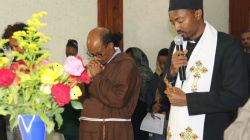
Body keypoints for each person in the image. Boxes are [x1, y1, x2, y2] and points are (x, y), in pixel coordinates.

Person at [162, 0, 249, 140]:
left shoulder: (227, 45)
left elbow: (237, 96)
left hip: (211, 131)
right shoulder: (176, 45)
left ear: (197, 14)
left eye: (180, 20)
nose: (177, 27)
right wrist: (171, 72)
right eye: (173, 23)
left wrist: (189, 100)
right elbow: (163, 93)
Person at [79, 27, 141, 140]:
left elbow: (119, 98)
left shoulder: (126, 65)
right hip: (89, 130)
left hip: (112, 131)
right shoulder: (93, 66)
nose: (95, 58)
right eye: (91, 54)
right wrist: (86, 80)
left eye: (99, 53)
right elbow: (79, 100)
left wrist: (97, 77)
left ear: (111, 46)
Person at [125, 47, 154, 140]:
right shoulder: (128, 73)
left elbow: (145, 96)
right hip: (131, 113)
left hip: (141, 113)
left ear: (138, 59)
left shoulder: (145, 74)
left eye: (130, 59)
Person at [56, 39, 81, 140]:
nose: (69, 57)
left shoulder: (81, 72)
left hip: (75, 123)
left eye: (71, 54)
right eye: (67, 54)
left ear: (76, 54)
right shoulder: (60, 71)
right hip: (63, 122)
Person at [148, 48, 170, 140]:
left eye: (165, 63)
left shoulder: (172, 78)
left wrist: (162, 107)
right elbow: (149, 95)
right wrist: (153, 105)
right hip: (155, 118)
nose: (161, 66)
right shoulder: (155, 76)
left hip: (167, 118)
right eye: (160, 63)